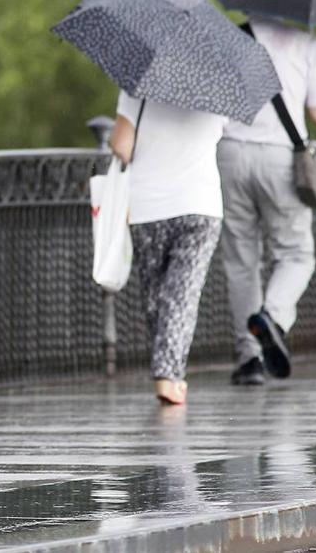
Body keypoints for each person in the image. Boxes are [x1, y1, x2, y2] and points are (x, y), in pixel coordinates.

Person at [222, 16, 316, 386]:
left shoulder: (231, 37)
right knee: (296, 253)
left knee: (242, 260)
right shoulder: (305, 41)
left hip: (228, 153)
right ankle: (271, 318)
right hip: (279, 159)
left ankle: (250, 360)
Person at [111, 94, 227, 405]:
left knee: (155, 297)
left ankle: (168, 371)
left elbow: (121, 144)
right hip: (199, 205)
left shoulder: (138, 85)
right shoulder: (220, 86)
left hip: (148, 206)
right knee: (182, 293)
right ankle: (169, 374)